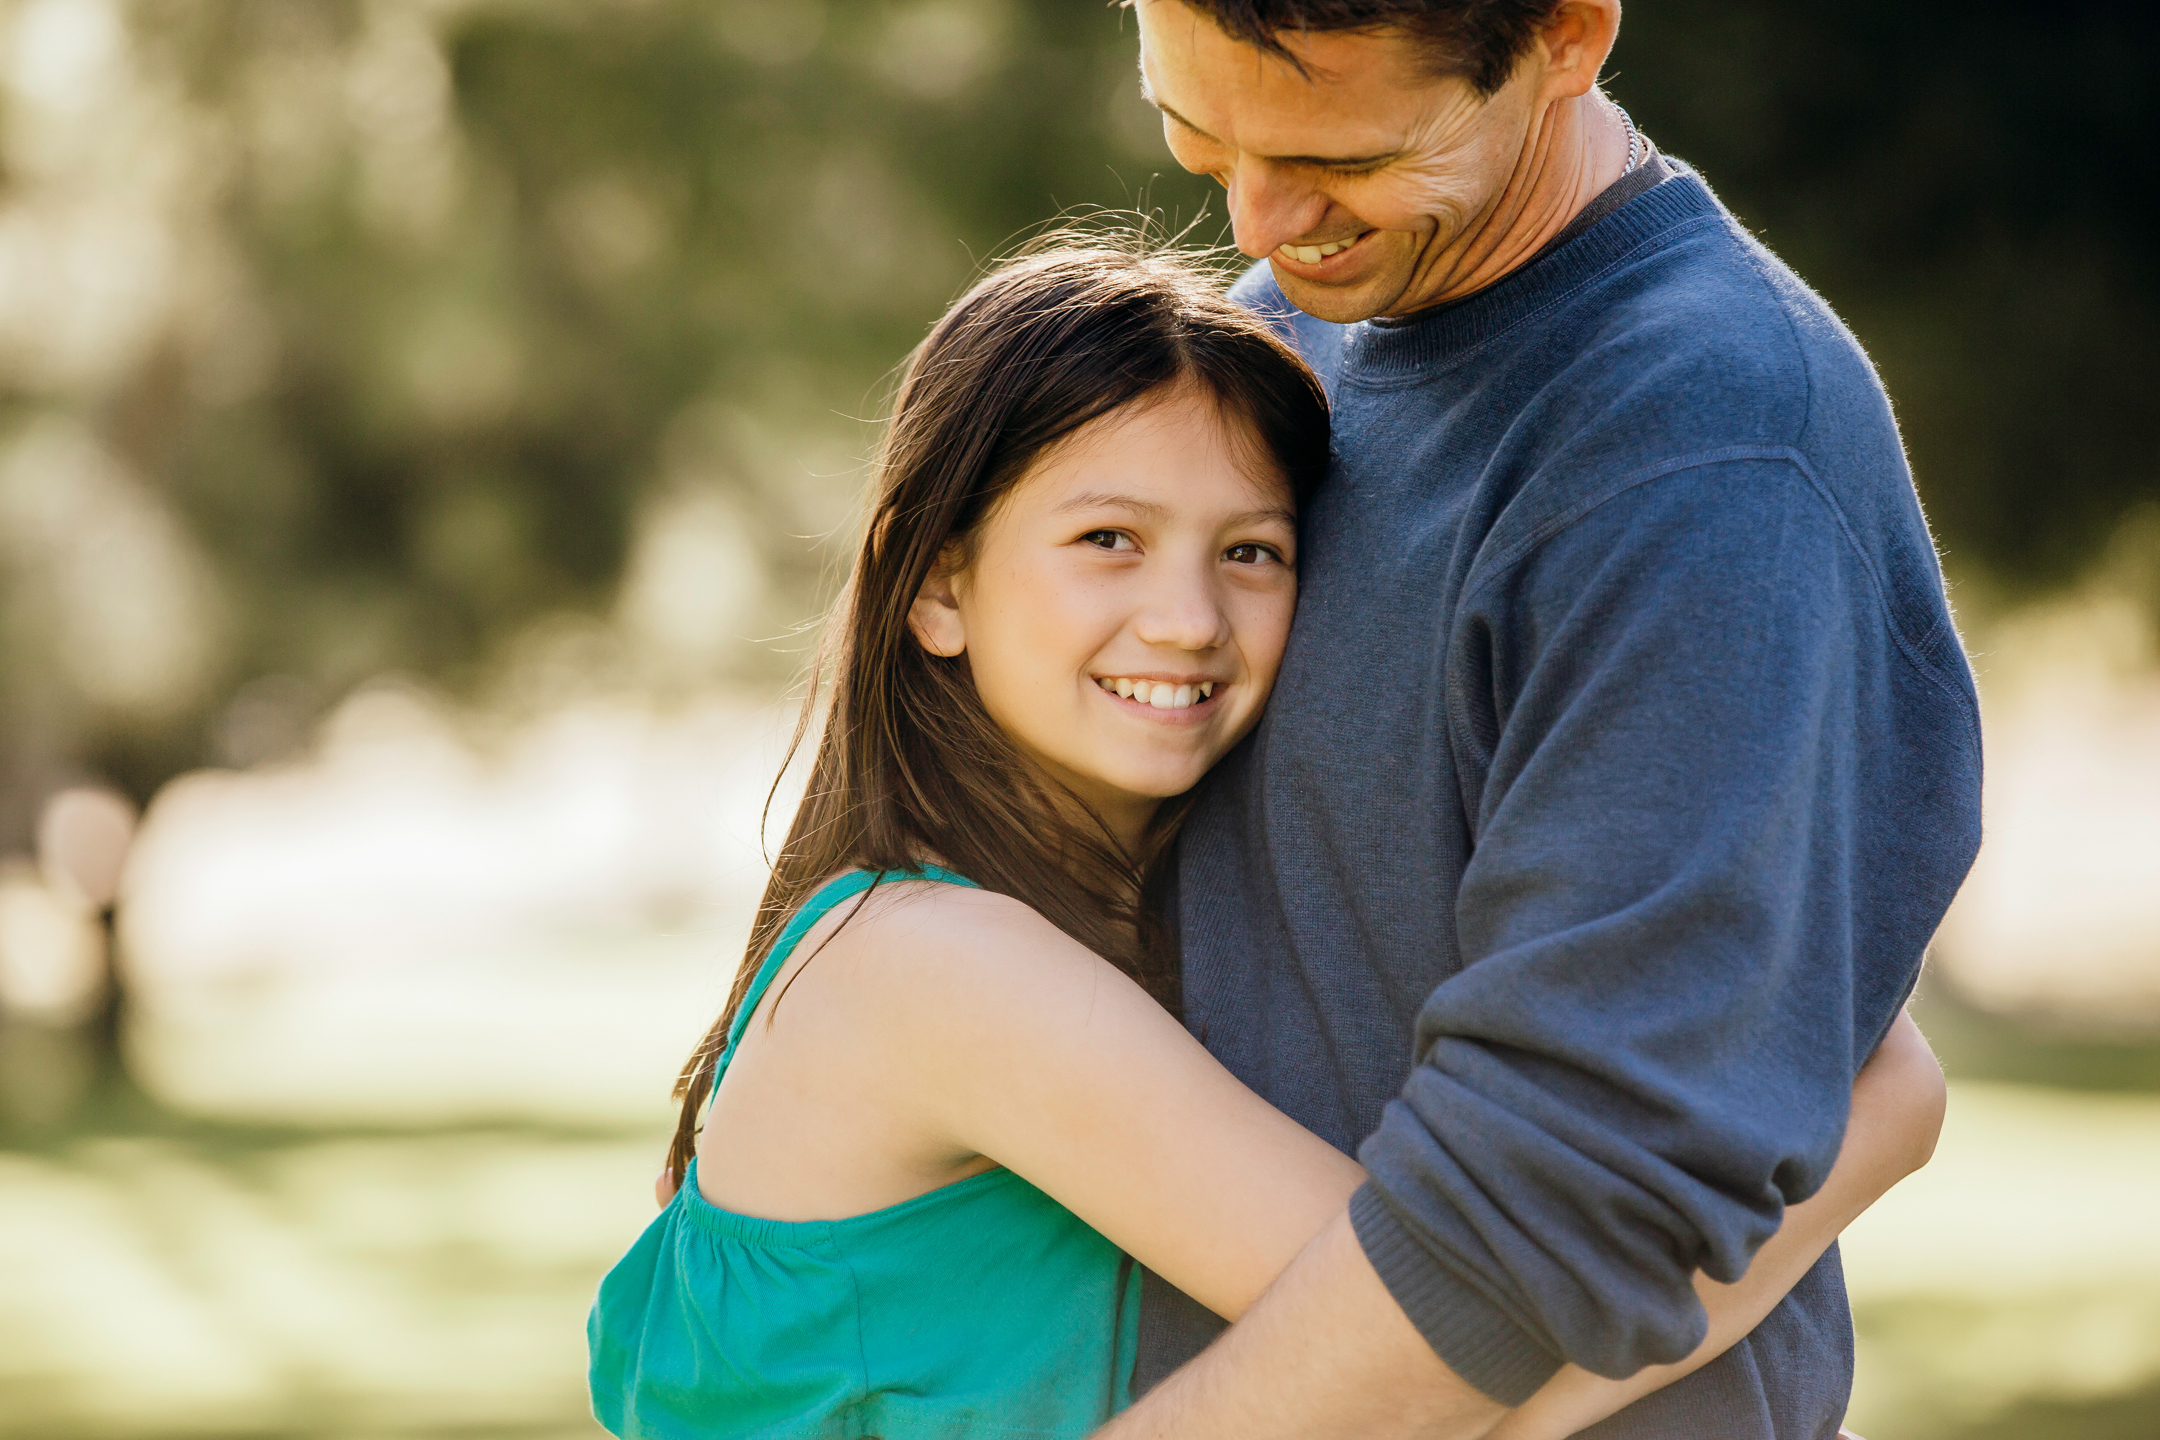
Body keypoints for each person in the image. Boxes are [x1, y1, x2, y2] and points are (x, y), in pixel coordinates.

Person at [584, 235, 1946, 1440]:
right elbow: (1457, 1341)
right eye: (1109, 538)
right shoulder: (932, 969)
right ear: (938, 585)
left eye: (1251, 551)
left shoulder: (1103, 926)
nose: (1187, 616)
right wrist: (1878, 1125)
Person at [1104, 3, 1985, 1439]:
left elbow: (1569, 1181)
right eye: (1197, 138)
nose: (1261, 220)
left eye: (1348, 153)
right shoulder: (1256, 355)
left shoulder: (1709, 444)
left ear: (1567, 37)